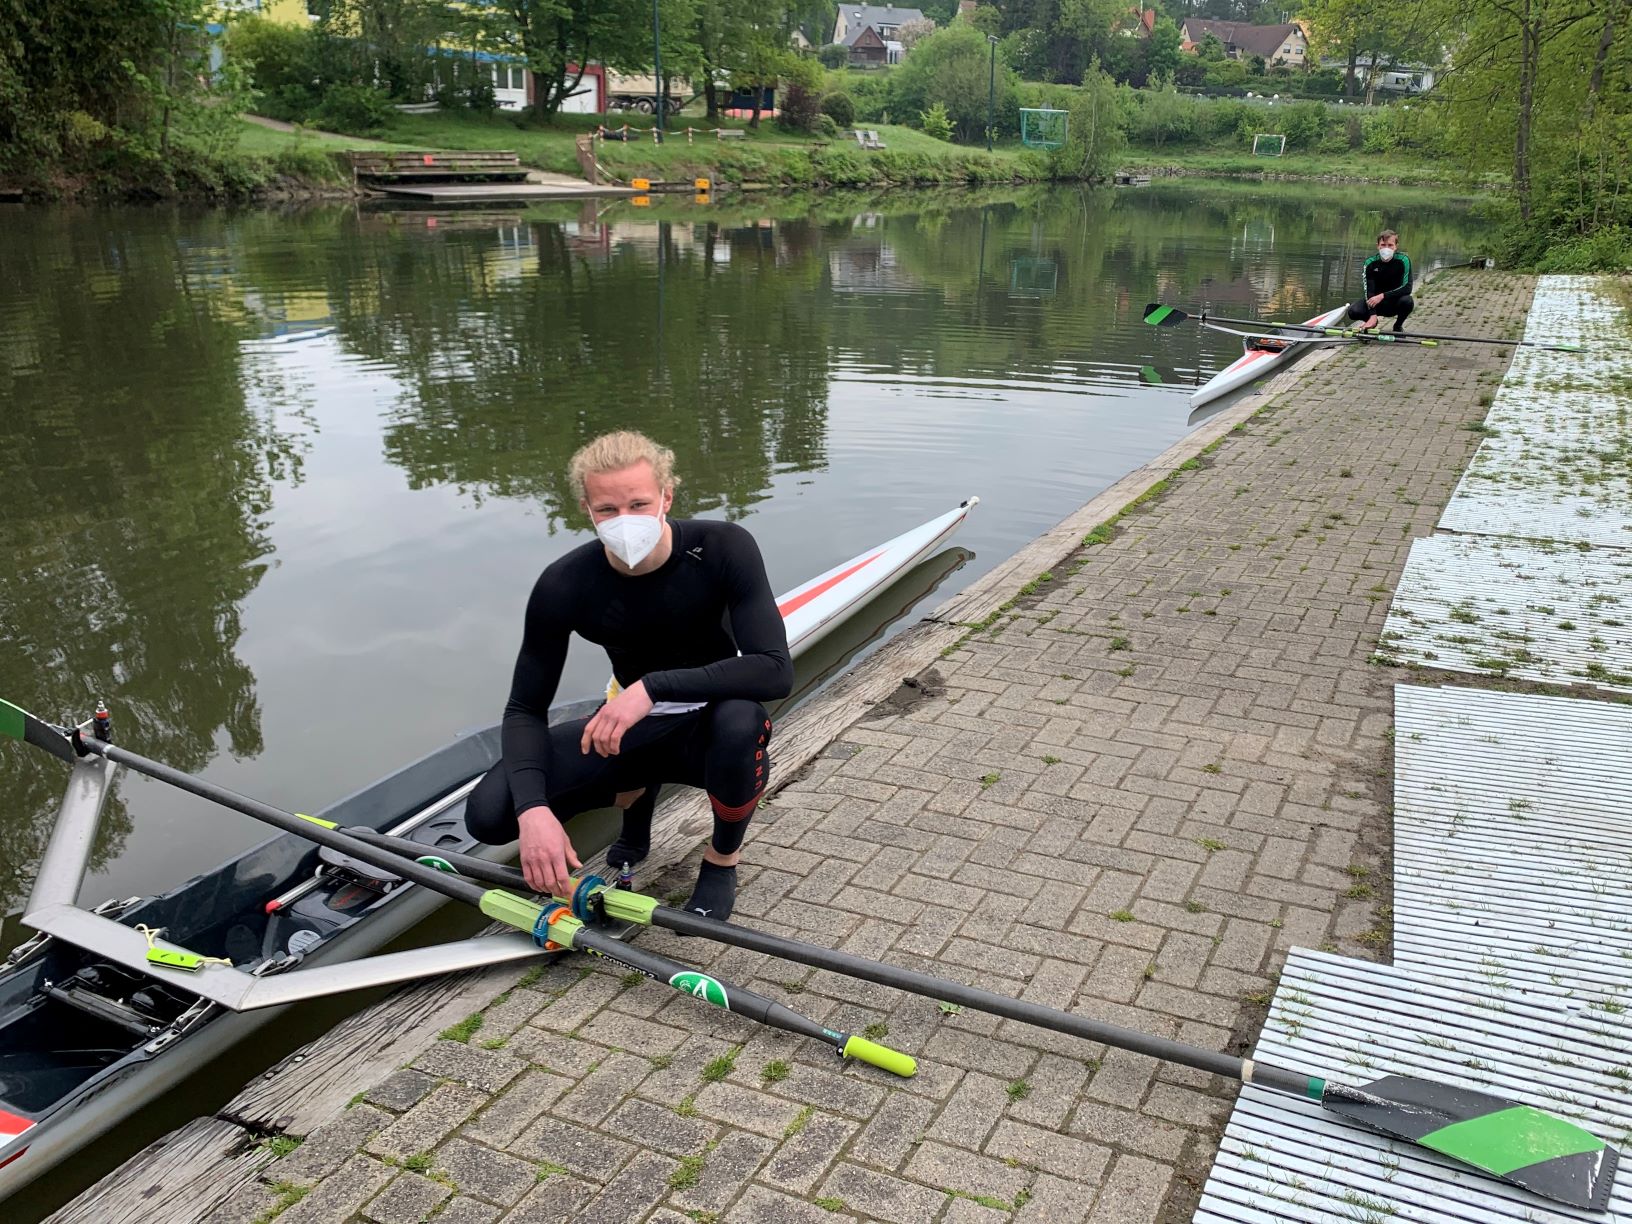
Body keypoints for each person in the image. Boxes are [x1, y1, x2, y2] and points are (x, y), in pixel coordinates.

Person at [465, 431, 791, 922]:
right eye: (608, 509)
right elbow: (525, 709)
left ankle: (722, 859)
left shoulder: (722, 546)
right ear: (587, 510)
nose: (625, 520)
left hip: (710, 720)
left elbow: (774, 669)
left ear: (666, 497)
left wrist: (654, 686)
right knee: (490, 815)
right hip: (627, 725)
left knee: (741, 722)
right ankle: (634, 796)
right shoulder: (564, 583)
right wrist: (534, 811)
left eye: (638, 504)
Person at [1347, 229, 1414, 333]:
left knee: (1408, 301)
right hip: (1375, 303)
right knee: (1353, 311)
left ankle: (1398, 326)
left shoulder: (1403, 260)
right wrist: (1372, 314)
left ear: (1396, 246)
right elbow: (1369, 291)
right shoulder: (1370, 263)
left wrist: (1382, 296)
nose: (1386, 248)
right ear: (1378, 246)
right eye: (1383, 245)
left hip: (1395, 302)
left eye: (1390, 245)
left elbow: (1407, 288)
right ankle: (1372, 322)